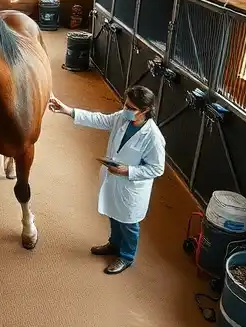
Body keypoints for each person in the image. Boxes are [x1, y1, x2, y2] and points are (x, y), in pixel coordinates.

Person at [47, 86, 166, 274]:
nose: (125, 109)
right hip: (113, 179)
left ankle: (126, 257)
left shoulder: (153, 137)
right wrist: (68, 110)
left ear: (144, 111)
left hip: (131, 186)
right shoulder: (122, 119)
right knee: (113, 213)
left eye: (130, 107)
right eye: (125, 104)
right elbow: (100, 119)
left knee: (128, 222)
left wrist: (128, 171)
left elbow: (157, 168)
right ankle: (113, 245)